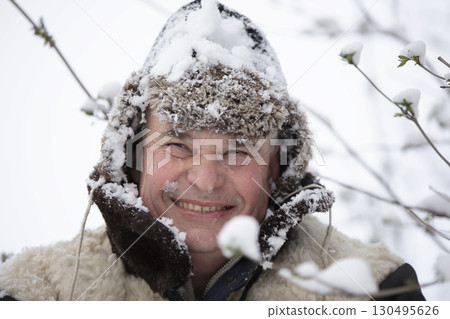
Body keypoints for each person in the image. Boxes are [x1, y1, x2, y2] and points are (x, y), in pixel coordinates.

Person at [0, 0, 424, 301]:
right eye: (177, 144)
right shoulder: (39, 293)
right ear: (134, 157)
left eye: (238, 150)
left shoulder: (376, 291)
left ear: (278, 165)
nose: (205, 179)